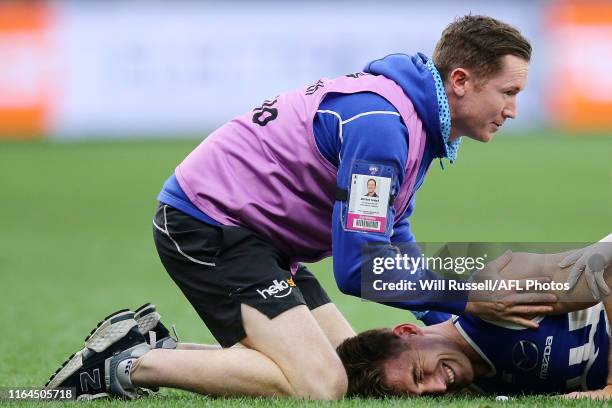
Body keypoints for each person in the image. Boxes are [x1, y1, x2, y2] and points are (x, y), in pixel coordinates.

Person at [45, 15, 553, 400]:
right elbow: (359, 269)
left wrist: (460, 321)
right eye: (508, 92)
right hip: (209, 226)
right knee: (319, 383)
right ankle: (126, 363)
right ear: (461, 81)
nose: (512, 109)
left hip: (263, 243)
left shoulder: (410, 121)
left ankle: (151, 342)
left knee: (349, 367)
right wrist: (468, 297)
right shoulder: (384, 128)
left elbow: (392, 241)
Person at [337, 245, 612, 399]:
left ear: (408, 332)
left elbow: (606, 269)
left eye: (420, 374)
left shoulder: (498, 292)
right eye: (424, 396)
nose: (438, 387)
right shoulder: (472, 393)